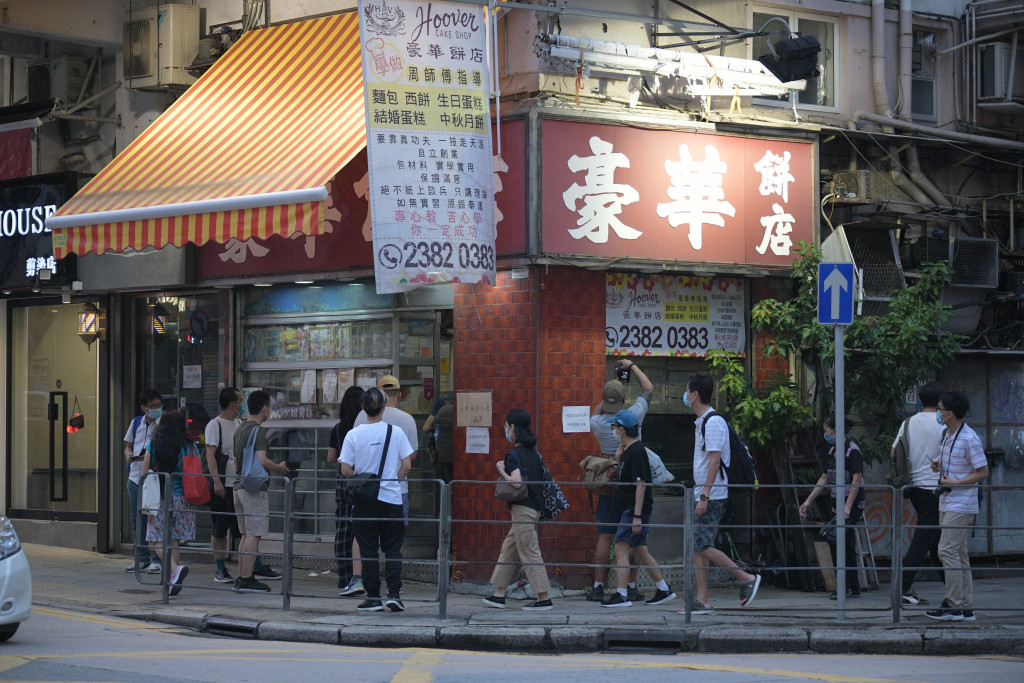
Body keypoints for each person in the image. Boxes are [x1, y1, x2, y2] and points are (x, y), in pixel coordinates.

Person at [685, 373, 761, 614]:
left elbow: (715, 462)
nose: (685, 396)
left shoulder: (713, 422)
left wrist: (705, 496)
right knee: (698, 546)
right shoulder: (704, 422)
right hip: (706, 492)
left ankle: (745, 578)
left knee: (702, 544)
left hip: (713, 494)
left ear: (695, 395)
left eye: (687, 392)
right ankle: (702, 599)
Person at [586, 359, 653, 603]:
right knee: (632, 539)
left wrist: (611, 394)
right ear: (624, 401)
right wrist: (632, 366)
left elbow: (597, 410)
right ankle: (631, 585)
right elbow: (648, 389)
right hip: (629, 484)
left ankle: (597, 586)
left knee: (605, 535)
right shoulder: (633, 416)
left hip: (607, 480)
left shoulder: (597, 423)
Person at [341, 388, 415, 612]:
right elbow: (407, 465)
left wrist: (361, 481)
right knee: (393, 549)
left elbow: (345, 469)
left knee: (368, 550)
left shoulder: (353, 435)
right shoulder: (396, 432)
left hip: (365, 502)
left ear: (363, 408)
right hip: (392, 498)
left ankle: (373, 597)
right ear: (384, 408)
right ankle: (394, 594)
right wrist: (392, 480)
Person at [600, 410, 675, 608]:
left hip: (633, 509)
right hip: (632, 508)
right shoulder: (627, 451)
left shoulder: (637, 452)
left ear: (622, 429)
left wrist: (636, 516)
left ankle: (622, 594)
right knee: (640, 550)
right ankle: (663, 589)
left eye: (614, 426)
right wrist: (617, 459)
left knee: (621, 547)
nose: (613, 430)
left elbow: (641, 485)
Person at [926, 390, 989, 622]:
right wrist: (939, 465)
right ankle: (965, 606)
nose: (937, 412)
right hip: (948, 500)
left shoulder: (969, 438)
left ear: (950, 413)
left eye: (940, 409)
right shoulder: (949, 434)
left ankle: (952, 604)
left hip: (961, 503)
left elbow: (982, 472)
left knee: (946, 551)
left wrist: (956, 482)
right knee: (959, 554)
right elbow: (954, 460)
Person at [483, 409, 554, 611]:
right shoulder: (532, 452)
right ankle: (499, 593)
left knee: (530, 552)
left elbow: (516, 483)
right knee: (509, 549)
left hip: (523, 509)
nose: (505, 430)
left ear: (512, 427)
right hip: (533, 508)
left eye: (506, 426)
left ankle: (543, 598)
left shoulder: (513, 454)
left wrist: (501, 470)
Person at [800, 414, 865, 600]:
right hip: (840, 505)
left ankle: (845, 586)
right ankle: (852, 586)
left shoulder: (852, 451)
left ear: (835, 431)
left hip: (850, 505)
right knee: (845, 544)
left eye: (826, 431)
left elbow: (857, 480)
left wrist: (848, 506)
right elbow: (824, 478)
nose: (825, 435)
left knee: (839, 543)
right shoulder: (832, 452)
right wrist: (808, 501)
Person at [232, 390, 291, 593]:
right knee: (254, 535)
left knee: (245, 534)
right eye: (269, 407)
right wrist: (280, 467)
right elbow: (262, 460)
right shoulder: (258, 431)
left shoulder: (240, 429)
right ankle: (248, 579)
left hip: (238, 486)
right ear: (264, 408)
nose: (269, 411)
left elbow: (236, 460)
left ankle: (241, 577)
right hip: (253, 489)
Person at [895, 382, 946, 606]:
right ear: (940, 401)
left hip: (914, 487)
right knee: (925, 537)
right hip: (934, 488)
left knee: (935, 539)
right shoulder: (943, 423)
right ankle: (902, 586)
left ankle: (954, 587)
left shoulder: (909, 422)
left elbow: (894, 450)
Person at [143, 409, 197, 597]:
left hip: (160, 499)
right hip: (183, 497)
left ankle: (174, 571)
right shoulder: (189, 445)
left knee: (156, 541)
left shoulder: (154, 444)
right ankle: (171, 583)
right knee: (174, 540)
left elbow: (145, 472)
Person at [354, 375, 418, 530]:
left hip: (365, 488)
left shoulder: (362, 416)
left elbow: (353, 452)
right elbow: (412, 455)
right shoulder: (407, 419)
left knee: (363, 535)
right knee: (396, 536)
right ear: (400, 394)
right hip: (396, 490)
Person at [327, 385, 365, 597]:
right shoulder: (363, 428)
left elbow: (331, 458)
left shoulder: (339, 428)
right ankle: (359, 576)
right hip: (360, 480)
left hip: (342, 480)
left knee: (342, 529)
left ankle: (344, 576)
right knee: (360, 529)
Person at [205, 387, 243, 584]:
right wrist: (216, 480)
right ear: (232, 405)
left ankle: (253, 566)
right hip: (222, 484)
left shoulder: (238, 423)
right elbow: (210, 454)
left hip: (237, 483)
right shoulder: (215, 425)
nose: (242, 405)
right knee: (220, 526)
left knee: (242, 526)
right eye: (240, 401)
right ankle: (220, 568)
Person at [123, 388, 162, 575]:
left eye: (158, 405)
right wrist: (129, 456)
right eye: (152, 406)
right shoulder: (136, 422)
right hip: (135, 477)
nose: (156, 409)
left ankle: (157, 559)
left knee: (154, 517)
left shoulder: (163, 424)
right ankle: (142, 558)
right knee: (136, 518)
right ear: (143, 408)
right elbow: (128, 447)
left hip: (154, 479)